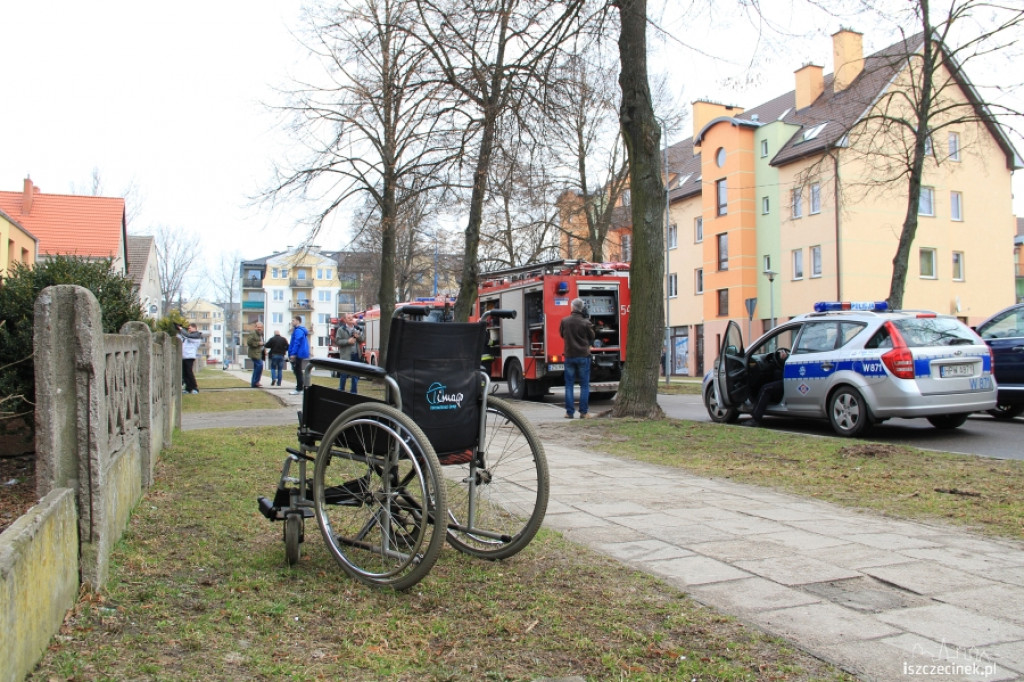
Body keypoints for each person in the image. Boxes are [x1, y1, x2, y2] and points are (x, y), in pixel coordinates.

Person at [559, 297, 595, 419]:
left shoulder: (565, 321)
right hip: (583, 356)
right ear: (582, 308)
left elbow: (561, 334)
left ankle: (569, 412)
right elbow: (592, 336)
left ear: (573, 307)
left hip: (569, 356)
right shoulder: (586, 322)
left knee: (569, 385)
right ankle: (584, 412)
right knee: (584, 385)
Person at [750, 348, 790, 424]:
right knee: (776, 374)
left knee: (766, 389)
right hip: (789, 380)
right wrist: (782, 359)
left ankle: (755, 419)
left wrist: (783, 359)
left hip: (789, 382)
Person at [335, 313, 362, 393]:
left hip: (356, 354)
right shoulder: (341, 329)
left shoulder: (357, 329)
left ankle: (353, 392)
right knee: (344, 374)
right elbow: (338, 341)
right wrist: (347, 341)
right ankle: (341, 389)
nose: (350, 319)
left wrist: (358, 337)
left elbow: (363, 339)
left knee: (355, 374)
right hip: (346, 355)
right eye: (348, 318)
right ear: (345, 320)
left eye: (351, 317)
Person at [177, 322, 203, 395]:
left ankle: (195, 388)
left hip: (190, 357)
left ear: (194, 328)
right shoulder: (189, 336)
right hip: (184, 356)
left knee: (189, 373)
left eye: (190, 328)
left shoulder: (196, 335)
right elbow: (181, 337)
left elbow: (187, 335)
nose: (189, 329)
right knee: (185, 374)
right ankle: (188, 388)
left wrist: (181, 328)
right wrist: (179, 330)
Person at [287, 316, 311, 395]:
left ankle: (299, 388)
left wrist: (293, 353)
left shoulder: (298, 331)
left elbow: (296, 342)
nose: (292, 322)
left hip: (297, 353)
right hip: (298, 353)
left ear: (298, 321)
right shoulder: (299, 330)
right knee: (298, 371)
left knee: (297, 371)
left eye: (293, 320)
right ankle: (300, 387)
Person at [246, 322, 265, 388]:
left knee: (257, 367)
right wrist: (258, 343)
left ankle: (254, 383)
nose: (259, 328)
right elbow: (249, 342)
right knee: (260, 365)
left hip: (259, 353)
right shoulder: (253, 333)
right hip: (254, 353)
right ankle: (255, 382)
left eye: (260, 327)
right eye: (258, 327)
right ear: (255, 327)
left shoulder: (261, 334)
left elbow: (262, 343)